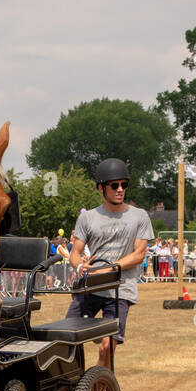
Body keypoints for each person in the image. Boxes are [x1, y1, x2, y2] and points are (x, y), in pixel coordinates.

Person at [67, 158, 154, 370]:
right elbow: (75, 254)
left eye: (124, 185)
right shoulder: (87, 218)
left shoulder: (139, 216)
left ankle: (97, 387)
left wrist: (108, 269)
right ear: (101, 188)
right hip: (91, 287)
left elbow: (139, 254)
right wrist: (80, 267)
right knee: (65, 338)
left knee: (106, 347)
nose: (120, 189)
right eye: (114, 185)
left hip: (120, 290)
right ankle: (69, 384)